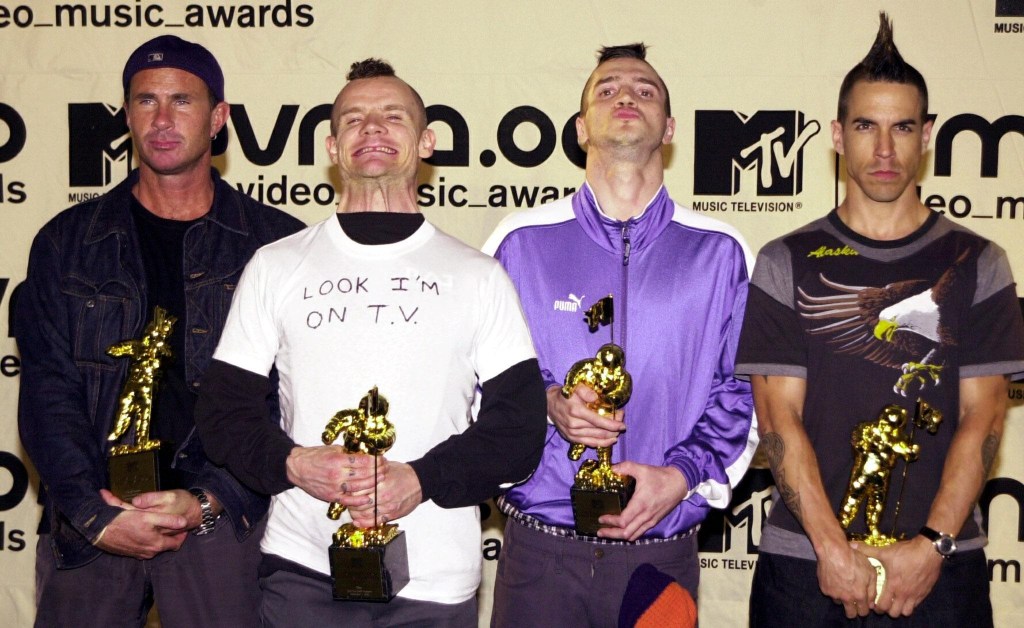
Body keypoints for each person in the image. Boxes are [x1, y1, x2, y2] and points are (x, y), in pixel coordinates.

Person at [193, 58, 547, 627]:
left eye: (393, 116)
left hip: (433, 581)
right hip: (300, 570)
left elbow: (520, 428)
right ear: (332, 147)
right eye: (354, 119)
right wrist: (295, 462)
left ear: (427, 141)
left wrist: (420, 480)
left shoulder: (478, 276)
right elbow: (223, 412)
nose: (373, 128)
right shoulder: (276, 266)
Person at [736, 13, 1024, 626]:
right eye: (867, 126)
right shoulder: (786, 260)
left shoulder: (980, 262)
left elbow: (984, 418)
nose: (885, 149)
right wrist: (832, 549)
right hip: (804, 566)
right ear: (838, 136)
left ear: (928, 135)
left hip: (941, 569)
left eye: (903, 127)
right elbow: (778, 421)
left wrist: (931, 548)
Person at [16, 35, 304, 627]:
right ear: (126, 114)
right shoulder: (67, 241)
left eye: (183, 101)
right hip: (93, 522)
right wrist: (93, 513)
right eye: (146, 101)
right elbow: (47, 391)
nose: (164, 119)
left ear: (218, 118)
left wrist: (208, 497)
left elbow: (285, 396)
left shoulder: (277, 244)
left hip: (223, 521)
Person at [483, 43, 756, 627]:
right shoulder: (519, 241)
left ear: (670, 128)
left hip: (660, 549)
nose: (626, 96)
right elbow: (475, 376)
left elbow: (746, 392)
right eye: (606, 90)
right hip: (542, 548)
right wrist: (547, 402)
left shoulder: (720, 251)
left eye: (644, 90)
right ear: (582, 128)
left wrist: (682, 476)